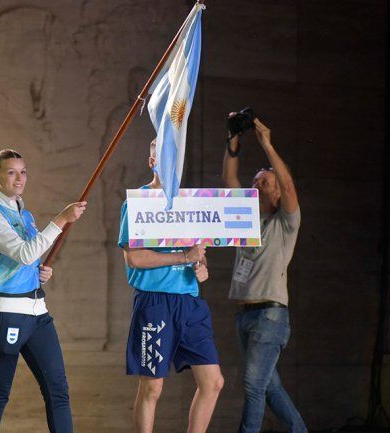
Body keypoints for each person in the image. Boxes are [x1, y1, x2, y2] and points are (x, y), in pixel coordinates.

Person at [0, 149, 86, 433]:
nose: (19, 178)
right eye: (11, 172)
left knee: (58, 392)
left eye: (23, 172)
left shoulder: (27, 215)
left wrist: (40, 273)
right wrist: (61, 219)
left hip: (38, 314)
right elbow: (24, 253)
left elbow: (27, 262)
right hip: (5, 316)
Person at [119, 139, 223, 433]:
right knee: (152, 388)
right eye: (161, 158)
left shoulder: (189, 205)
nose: (168, 164)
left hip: (189, 302)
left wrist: (201, 267)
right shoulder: (136, 203)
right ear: (151, 161)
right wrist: (183, 256)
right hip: (155, 303)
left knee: (213, 382)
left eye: (173, 159)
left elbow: (197, 255)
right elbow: (134, 258)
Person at [221, 116, 307, 433]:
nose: (256, 186)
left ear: (275, 195)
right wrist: (233, 140)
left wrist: (267, 145)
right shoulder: (246, 222)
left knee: (253, 386)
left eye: (263, 183)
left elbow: (288, 185)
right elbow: (230, 181)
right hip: (245, 315)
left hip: (270, 316)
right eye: (255, 181)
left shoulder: (285, 223)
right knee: (269, 388)